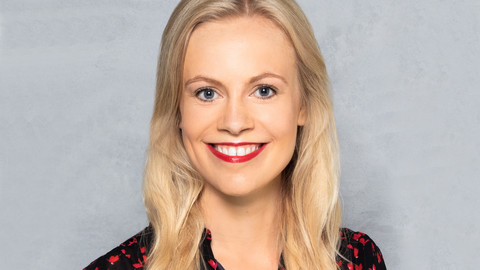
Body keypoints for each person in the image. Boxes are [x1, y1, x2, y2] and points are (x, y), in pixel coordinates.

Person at [84, 0, 387, 269]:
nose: (234, 122)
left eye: (264, 90)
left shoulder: (358, 260)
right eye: (207, 93)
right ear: (177, 110)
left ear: (303, 105)